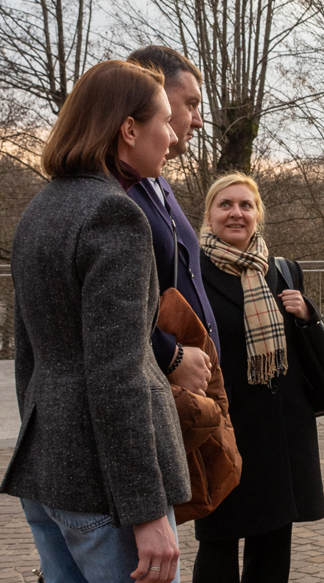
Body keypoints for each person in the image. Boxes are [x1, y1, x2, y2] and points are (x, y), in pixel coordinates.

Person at [2, 59, 188, 583]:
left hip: (48, 470)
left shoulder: (40, 210)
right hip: (108, 487)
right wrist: (145, 513)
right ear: (126, 129)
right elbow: (117, 374)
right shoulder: (115, 215)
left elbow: (30, 358)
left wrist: (42, 445)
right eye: (163, 120)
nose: (173, 134)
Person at [192, 173, 324, 583]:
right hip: (223, 427)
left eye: (247, 205)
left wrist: (308, 315)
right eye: (226, 204)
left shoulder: (281, 269)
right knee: (220, 548)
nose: (237, 214)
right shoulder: (193, 270)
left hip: (281, 427)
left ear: (259, 214)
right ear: (209, 213)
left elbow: (308, 349)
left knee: (273, 546)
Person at [125, 45, 220, 394]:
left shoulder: (160, 184)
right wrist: (171, 357)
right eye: (191, 104)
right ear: (154, 94)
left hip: (193, 393)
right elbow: (114, 313)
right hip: (160, 393)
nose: (197, 120)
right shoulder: (116, 196)